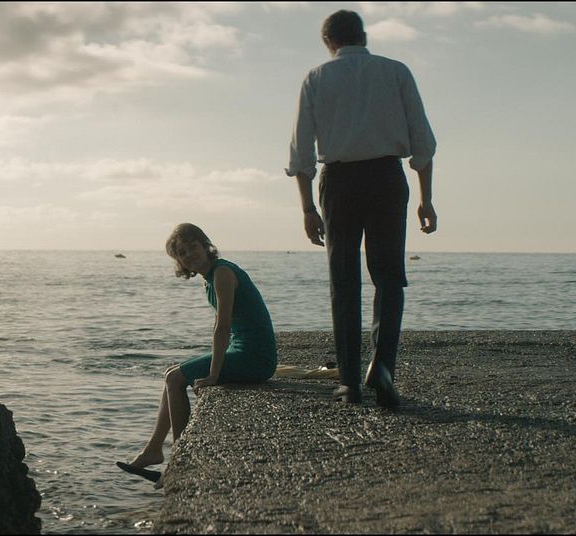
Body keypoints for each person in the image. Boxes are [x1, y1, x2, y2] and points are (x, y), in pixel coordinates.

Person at [285, 9, 438, 408]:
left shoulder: (316, 78)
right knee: (389, 275)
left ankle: (350, 383)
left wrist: (306, 208)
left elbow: (301, 151)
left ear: (329, 43)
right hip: (387, 177)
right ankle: (383, 367)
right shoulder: (396, 71)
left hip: (339, 181)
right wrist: (426, 198)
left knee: (344, 280)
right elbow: (422, 141)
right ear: (364, 36)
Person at [116, 223, 277, 483]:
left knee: (175, 378)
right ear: (179, 261)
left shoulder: (222, 273)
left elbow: (222, 326)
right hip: (245, 350)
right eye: (182, 252)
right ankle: (154, 449)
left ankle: (180, 459)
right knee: (171, 374)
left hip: (255, 357)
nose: (190, 254)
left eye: (194, 247)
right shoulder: (210, 278)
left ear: (206, 246)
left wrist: (213, 374)